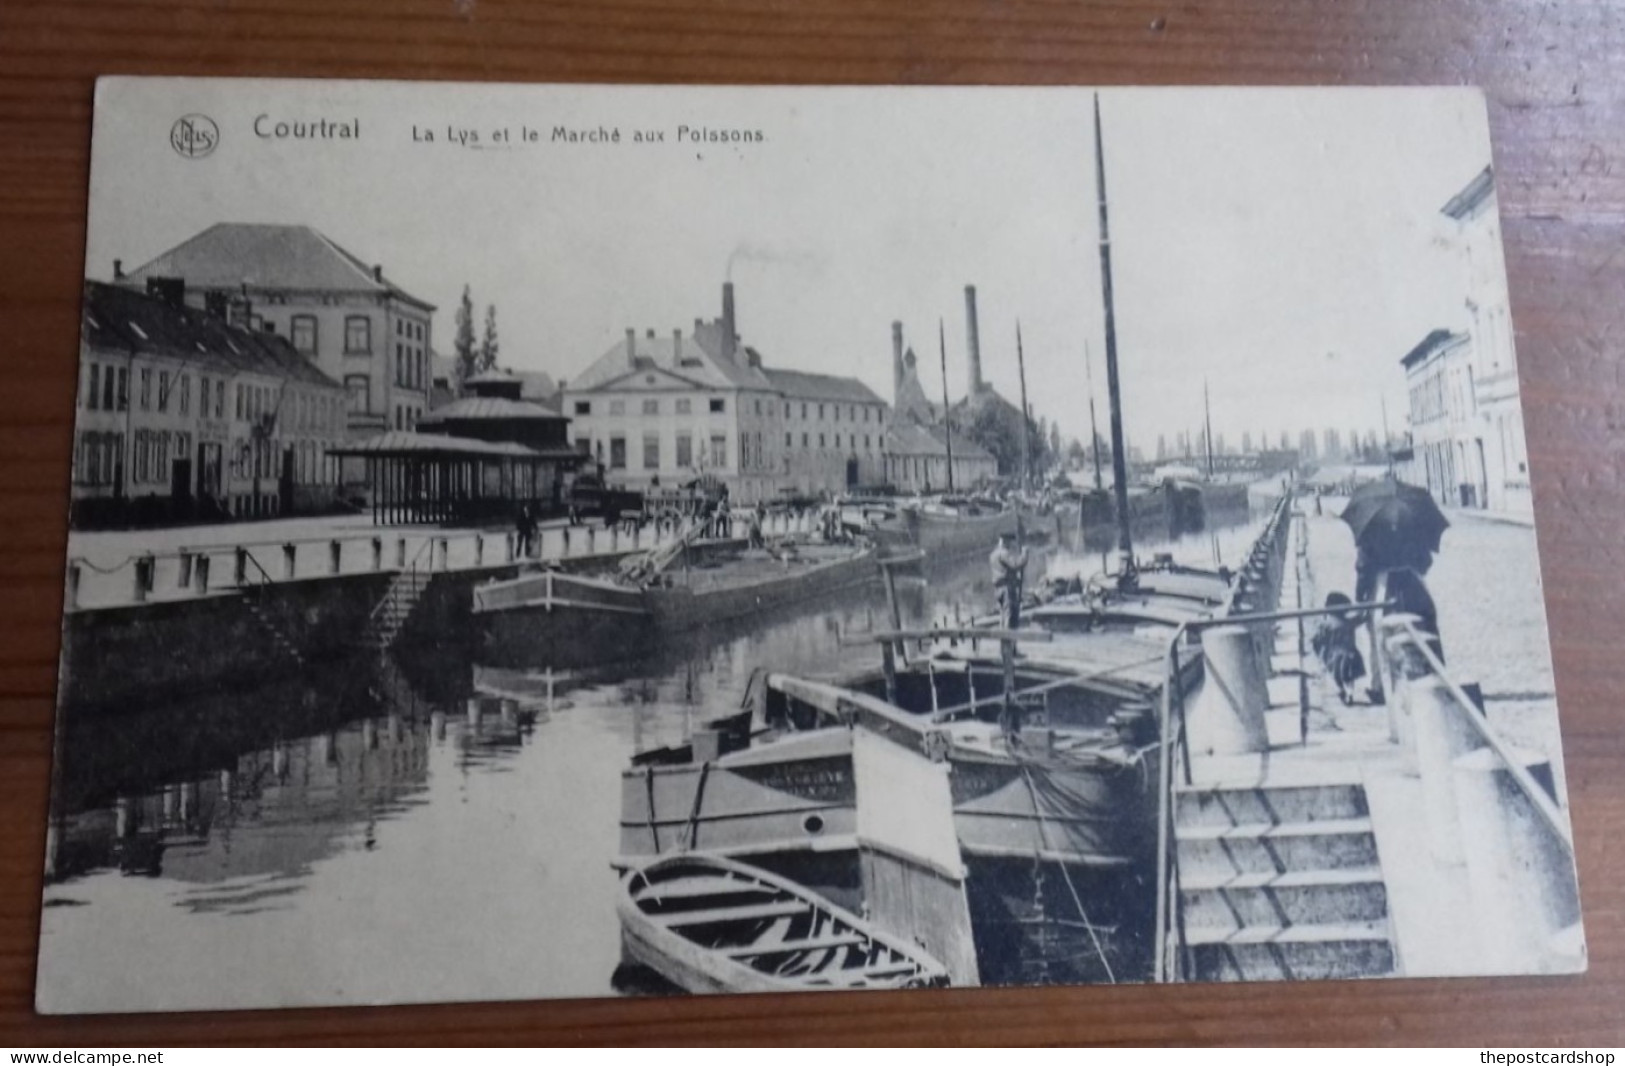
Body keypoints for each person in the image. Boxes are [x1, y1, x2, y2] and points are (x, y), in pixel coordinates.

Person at [1310, 592, 1366, 705]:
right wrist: (1365, 608)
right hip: (1351, 654)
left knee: (1337, 677)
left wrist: (1320, 654)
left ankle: (1341, 690)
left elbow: (1316, 640)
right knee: (1349, 677)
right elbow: (1361, 618)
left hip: (1335, 657)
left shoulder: (1326, 624)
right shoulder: (1349, 622)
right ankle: (1349, 693)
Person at [989, 529, 1028, 630]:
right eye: (1010, 542)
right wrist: (1024, 554)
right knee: (1009, 616)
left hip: (998, 589)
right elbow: (1015, 565)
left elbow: (1005, 570)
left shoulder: (993, 554)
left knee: (1003, 615)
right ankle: (1008, 641)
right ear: (1005, 541)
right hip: (1006, 588)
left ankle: (1004, 640)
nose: (1011, 545)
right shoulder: (1003, 553)